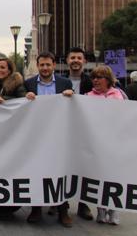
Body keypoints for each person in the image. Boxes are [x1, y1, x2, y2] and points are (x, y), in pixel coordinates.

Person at [24, 52, 74, 227]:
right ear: (37, 66)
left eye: (48, 65)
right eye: (42, 65)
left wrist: (71, 95)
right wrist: (25, 98)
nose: (45, 68)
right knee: (37, 171)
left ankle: (63, 210)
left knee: (59, 172)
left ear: (54, 65)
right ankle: (36, 208)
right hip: (36, 136)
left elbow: (73, 107)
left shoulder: (65, 83)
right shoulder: (28, 84)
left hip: (58, 135)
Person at [0, 56, 26, 219]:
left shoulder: (17, 84)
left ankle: (11, 204)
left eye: (3, 67)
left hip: (13, 132)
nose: (0, 70)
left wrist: (6, 100)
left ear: (10, 70)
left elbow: (22, 102)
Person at [86, 65, 124, 225]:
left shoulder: (119, 95)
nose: (95, 80)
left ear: (108, 80)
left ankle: (114, 211)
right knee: (99, 178)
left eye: (99, 77)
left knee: (114, 179)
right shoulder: (88, 96)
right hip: (97, 144)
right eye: (94, 77)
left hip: (115, 144)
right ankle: (101, 210)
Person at [63, 47, 93, 220]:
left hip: (84, 131)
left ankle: (84, 204)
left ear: (84, 61)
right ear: (67, 60)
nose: (75, 60)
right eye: (72, 57)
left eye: (79, 58)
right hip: (63, 131)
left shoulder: (90, 82)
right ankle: (61, 203)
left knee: (84, 166)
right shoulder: (60, 82)